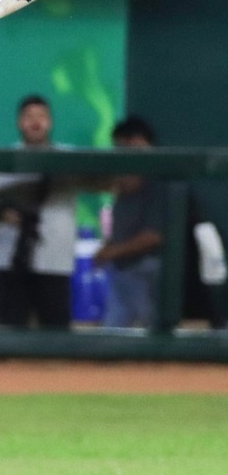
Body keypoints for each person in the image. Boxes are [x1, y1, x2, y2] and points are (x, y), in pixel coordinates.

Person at [0, 95, 80, 329]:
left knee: (56, 336)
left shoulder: (70, 158)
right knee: (10, 334)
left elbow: (102, 181)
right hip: (10, 259)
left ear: (50, 122)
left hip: (54, 260)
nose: (35, 122)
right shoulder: (3, 160)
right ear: (19, 122)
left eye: (41, 116)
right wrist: (3, 213)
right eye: (29, 116)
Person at [94, 116, 163, 328]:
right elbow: (120, 229)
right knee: (112, 340)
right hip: (123, 272)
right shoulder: (123, 187)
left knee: (150, 337)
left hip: (149, 270)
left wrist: (112, 252)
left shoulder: (162, 182)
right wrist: (108, 247)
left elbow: (154, 236)